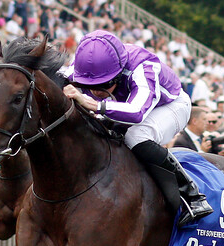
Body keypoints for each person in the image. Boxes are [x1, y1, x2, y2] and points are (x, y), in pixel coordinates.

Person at [63, 29, 211, 225]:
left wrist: (94, 104)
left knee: (136, 136)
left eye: (104, 84)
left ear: (117, 74)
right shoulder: (84, 67)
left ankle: (191, 195)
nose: (96, 91)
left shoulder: (143, 67)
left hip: (170, 105)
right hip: (127, 104)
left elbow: (135, 112)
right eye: (89, 85)